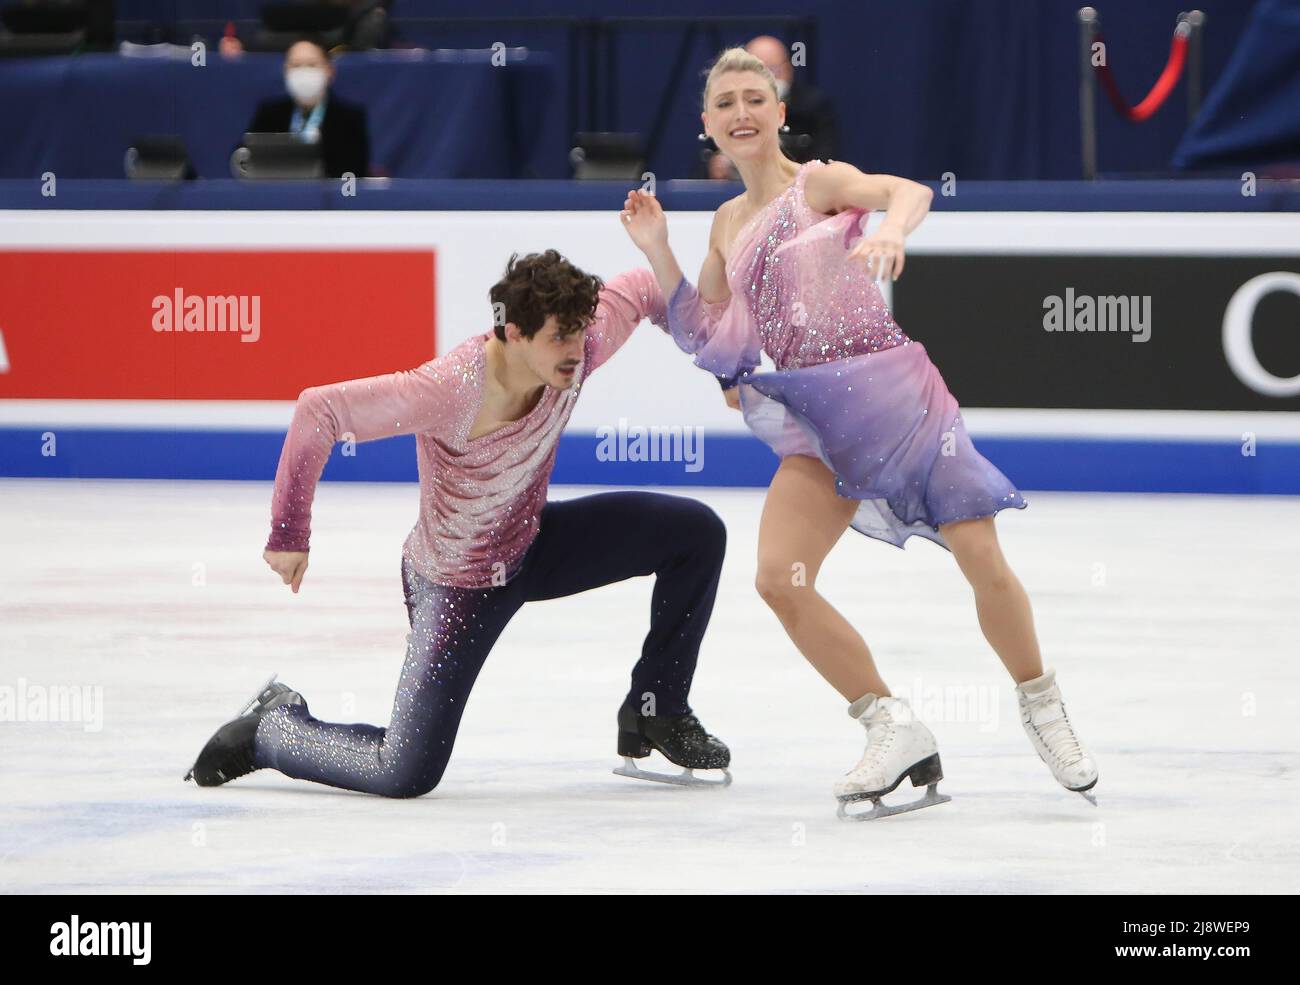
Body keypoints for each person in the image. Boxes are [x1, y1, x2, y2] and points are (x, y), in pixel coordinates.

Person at [620, 47, 1097, 819]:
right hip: (819, 415)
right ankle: (890, 722)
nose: (741, 112)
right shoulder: (723, 223)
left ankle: (1041, 701)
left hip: (899, 399)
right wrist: (658, 253)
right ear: (706, 124)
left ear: (779, 113)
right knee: (780, 577)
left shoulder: (818, 182)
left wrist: (894, 232)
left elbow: (905, 190)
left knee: (980, 555)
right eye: (725, 103)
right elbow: (704, 329)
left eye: (754, 98)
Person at [184, 251, 732, 797]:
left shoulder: (580, 348)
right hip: (455, 587)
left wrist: (714, 353)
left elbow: (641, 286)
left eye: (579, 334)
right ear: (513, 332)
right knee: (404, 772)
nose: (576, 352)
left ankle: (655, 709)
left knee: (695, 534)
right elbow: (318, 411)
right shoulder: (450, 388)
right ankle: (273, 729)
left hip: (533, 545)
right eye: (559, 338)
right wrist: (289, 534)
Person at [243, 37, 370, 178]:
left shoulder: (349, 118)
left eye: (311, 65)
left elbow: (354, 176)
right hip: (277, 196)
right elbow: (243, 157)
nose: (303, 72)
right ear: (285, 71)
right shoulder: (270, 113)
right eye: (296, 65)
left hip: (329, 197)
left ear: (329, 71)